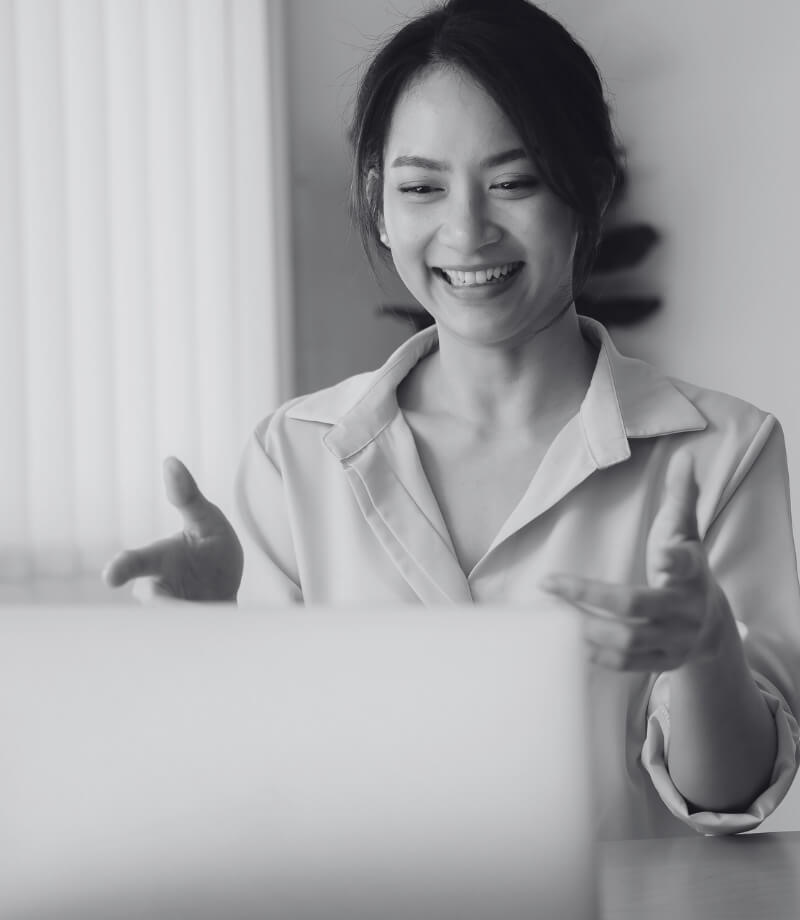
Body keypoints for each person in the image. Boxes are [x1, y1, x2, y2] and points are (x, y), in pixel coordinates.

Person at [103, 0, 800, 841]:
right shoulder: (296, 458)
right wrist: (203, 646)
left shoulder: (722, 451)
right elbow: (260, 793)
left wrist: (705, 644)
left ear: (589, 188)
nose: (466, 231)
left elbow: (729, 796)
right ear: (380, 204)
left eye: (513, 182)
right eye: (422, 187)